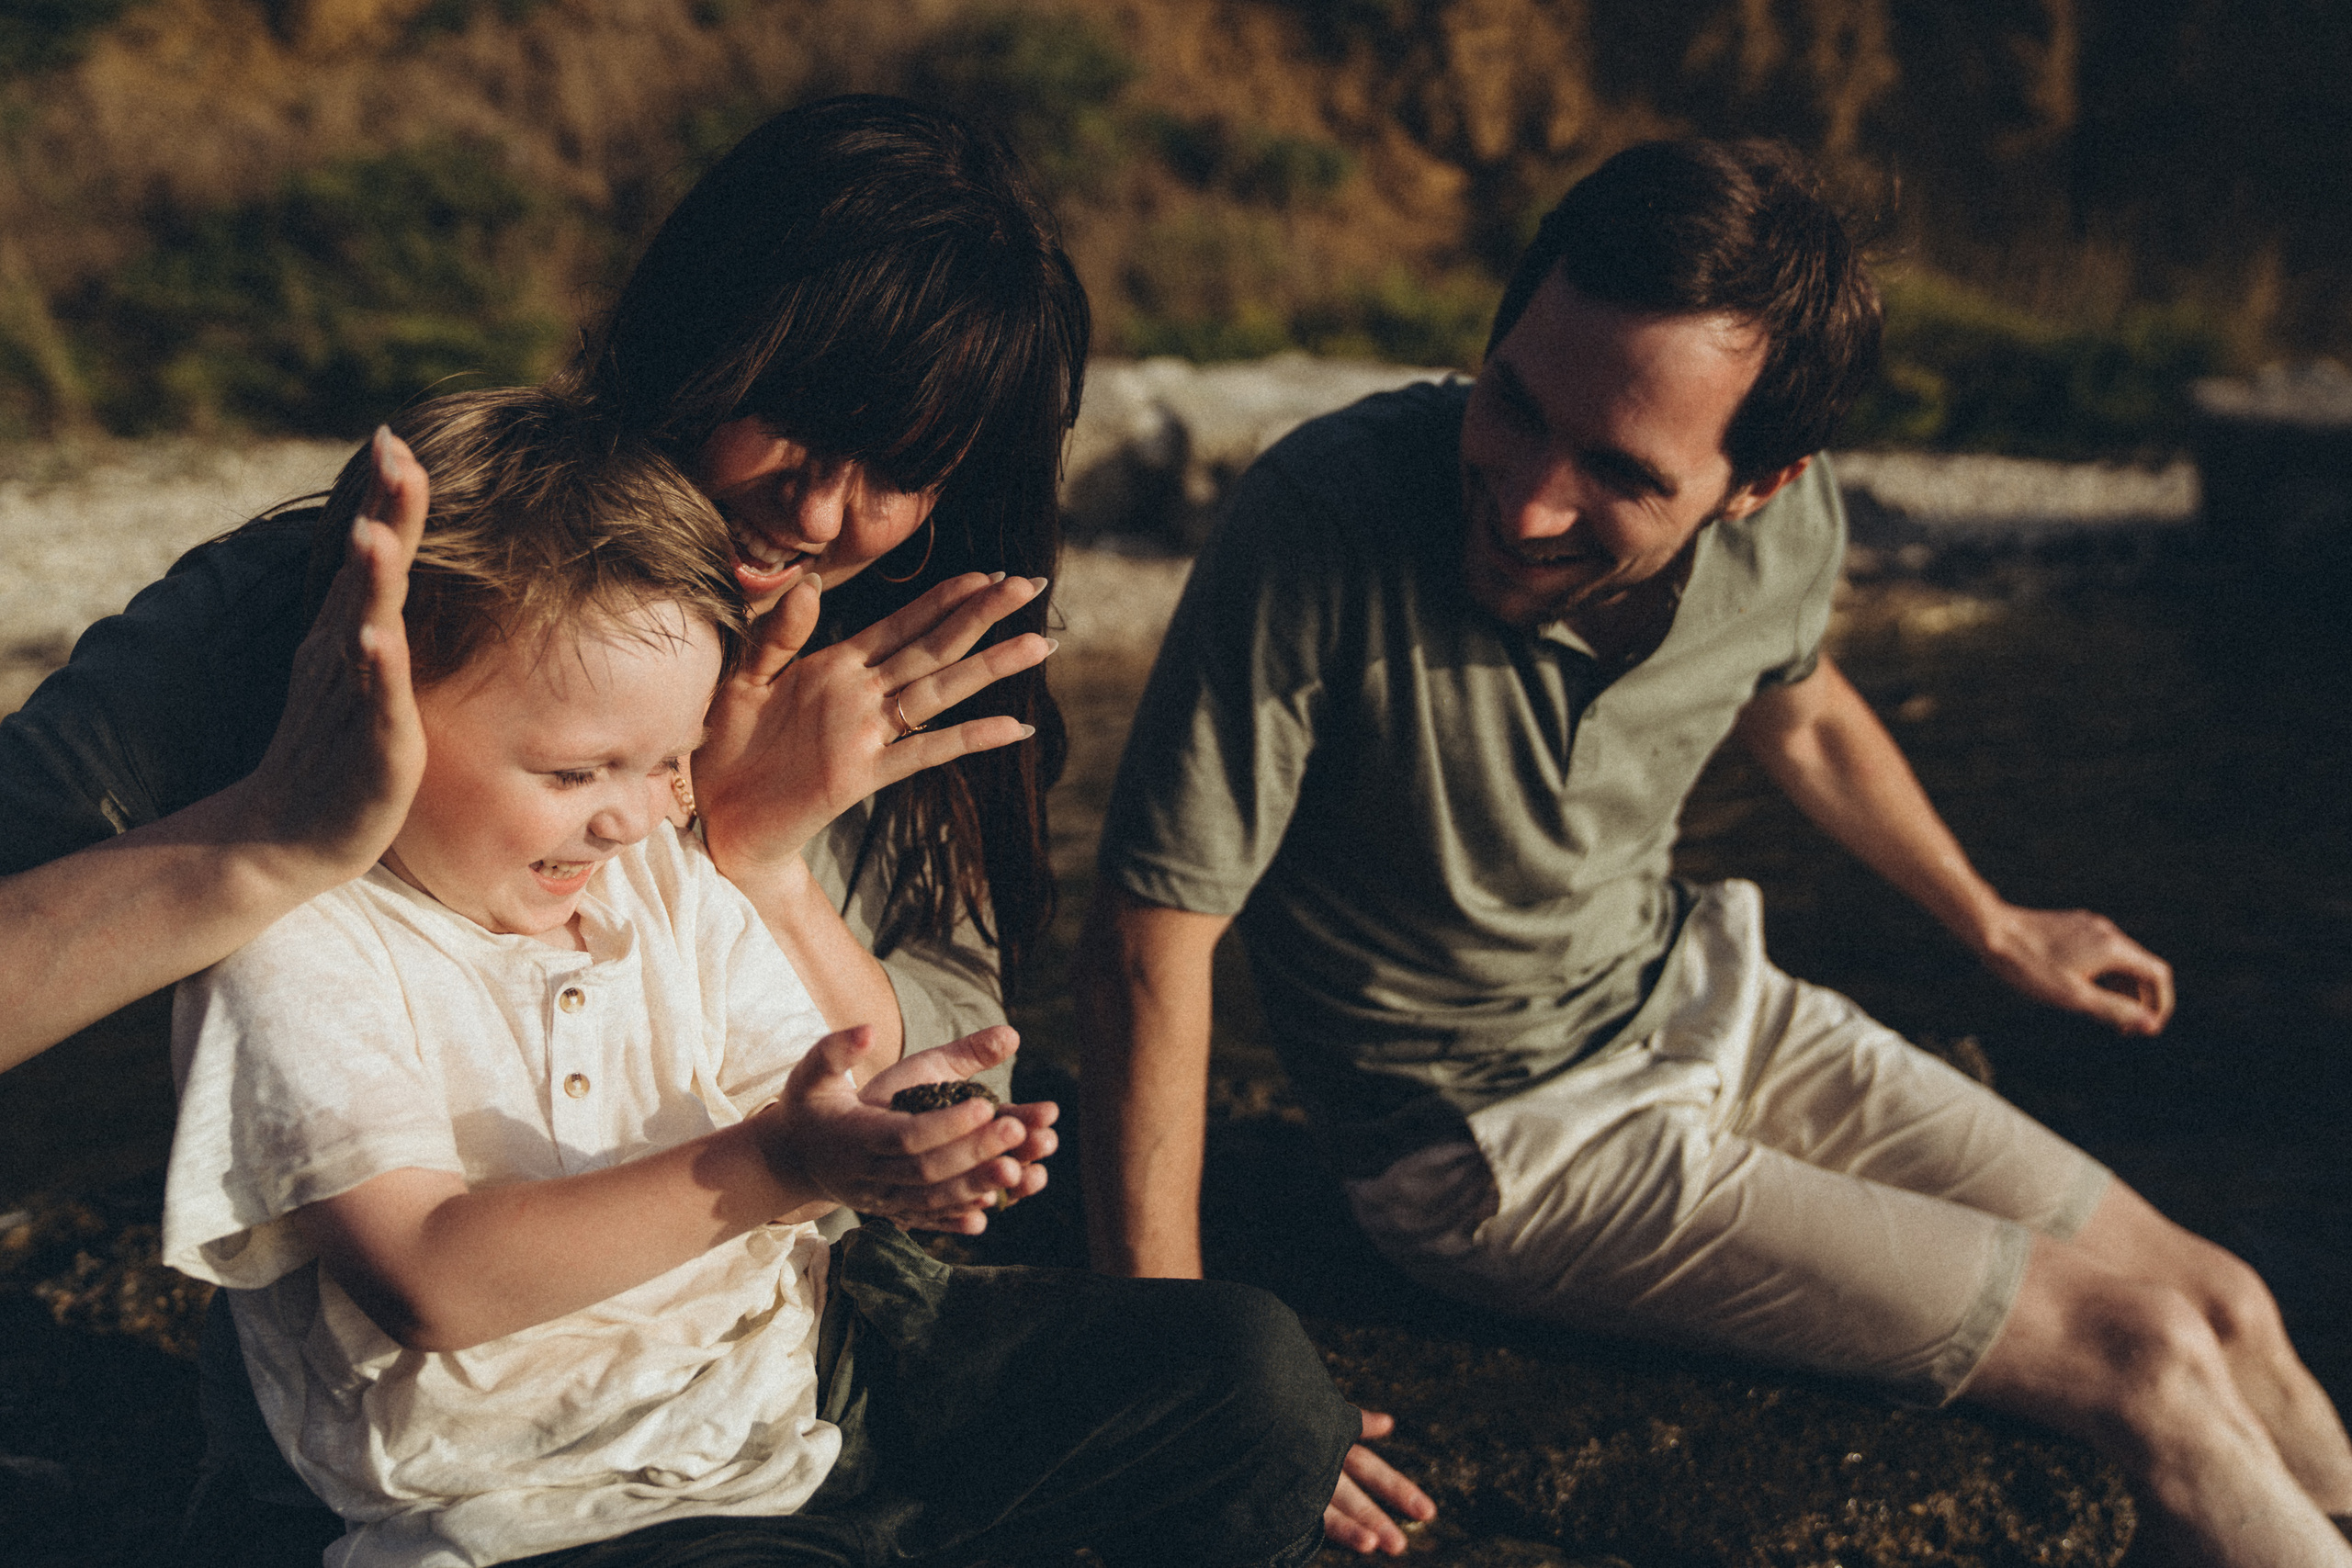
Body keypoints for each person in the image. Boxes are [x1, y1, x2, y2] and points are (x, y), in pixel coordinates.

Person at [1076, 138, 2352, 1564]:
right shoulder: (1323, 517)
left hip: (1705, 1002)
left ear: (1758, 483)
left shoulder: (1790, 529)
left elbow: (1798, 712)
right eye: (1513, 403)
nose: (1528, 501)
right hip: (1497, 1140)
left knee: (2230, 1303)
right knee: (2145, 1358)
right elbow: (1152, 934)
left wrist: (1993, 921)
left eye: (1620, 470)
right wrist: (1181, 1369)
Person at [162, 384, 1359, 1568]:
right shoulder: (299, 940)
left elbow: (826, 1078)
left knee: (1249, 1380)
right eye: (579, 773)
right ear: (372, 705)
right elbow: (431, 1277)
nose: (636, 817)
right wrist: (782, 1160)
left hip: (800, 1404)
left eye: (668, 760)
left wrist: (889, 1148)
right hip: (552, 1512)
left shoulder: (652, 877)